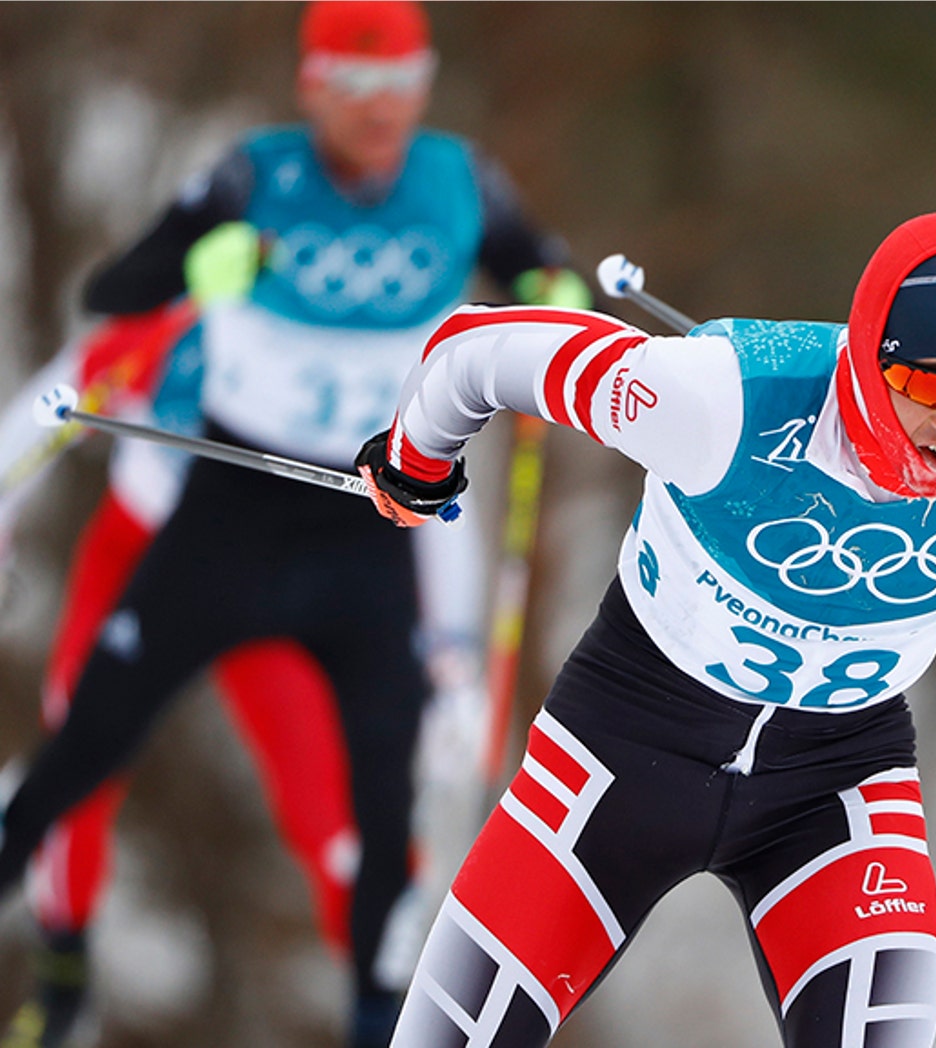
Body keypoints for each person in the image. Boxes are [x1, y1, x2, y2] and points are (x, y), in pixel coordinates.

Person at [351, 210, 936, 1047]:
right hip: (621, 752)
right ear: (869, 360)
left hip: (836, 781)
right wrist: (416, 460)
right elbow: (475, 349)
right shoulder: (722, 400)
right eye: (923, 383)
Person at [0, 3, 593, 1046]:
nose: (380, 113)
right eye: (356, 90)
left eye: (402, 84)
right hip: (229, 518)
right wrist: (198, 266)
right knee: (82, 750)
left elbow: (541, 277)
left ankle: (381, 1020)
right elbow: (114, 291)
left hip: (363, 526)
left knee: (379, 811)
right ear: (312, 87)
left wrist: (557, 293)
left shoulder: (459, 181)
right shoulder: (252, 177)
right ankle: (54, 959)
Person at [0, 304, 488, 1048]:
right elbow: (48, 412)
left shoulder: (358, 356)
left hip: (277, 579)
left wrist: (454, 660)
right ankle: (65, 970)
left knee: (337, 814)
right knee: (78, 757)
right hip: (141, 557)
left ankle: (392, 1007)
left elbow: (441, 498)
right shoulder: (182, 326)